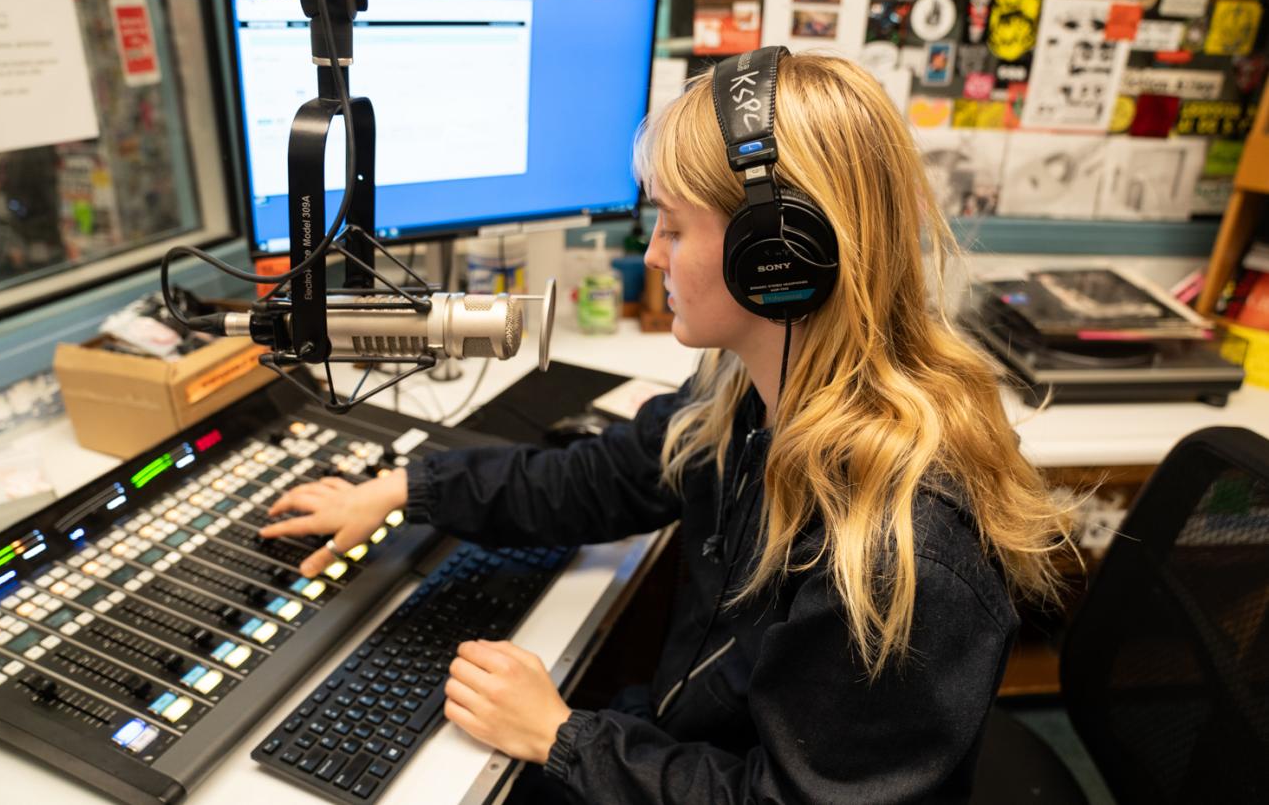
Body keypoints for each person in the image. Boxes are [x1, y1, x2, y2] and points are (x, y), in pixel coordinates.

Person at [260, 48, 1072, 803]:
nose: (652, 256)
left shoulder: (900, 556)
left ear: (779, 258)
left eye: (676, 227)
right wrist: (408, 487)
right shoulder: (752, 388)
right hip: (681, 740)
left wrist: (564, 735)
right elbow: (603, 475)